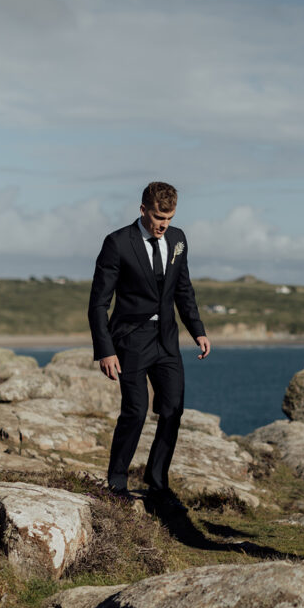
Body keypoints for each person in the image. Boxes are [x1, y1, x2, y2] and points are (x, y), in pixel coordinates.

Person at [88, 181, 210, 505]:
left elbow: (183, 289)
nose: (163, 225)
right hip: (130, 340)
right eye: (158, 218)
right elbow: (99, 303)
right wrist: (105, 350)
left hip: (167, 339)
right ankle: (116, 484)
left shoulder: (178, 239)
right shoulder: (117, 243)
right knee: (136, 410)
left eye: (168, 219)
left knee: (173, 409)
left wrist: (197, 330)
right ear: (143, 210)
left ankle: (157, 482)